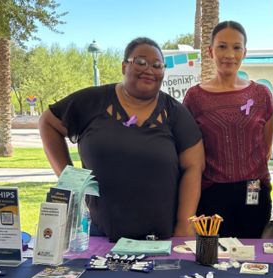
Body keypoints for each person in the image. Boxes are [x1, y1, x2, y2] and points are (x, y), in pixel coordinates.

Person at [39, 37, 205, 241]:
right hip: (100, 232)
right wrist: (70, 179)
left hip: (163, 236)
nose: (149, 70)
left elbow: (194, 167)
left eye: (157, 65)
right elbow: (48, 122)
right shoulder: (92, 101)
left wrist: (184, 226)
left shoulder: (176, 113)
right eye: (141, 62)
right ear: (124, 65)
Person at [183, 21, 273, 238]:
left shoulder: (262, 94)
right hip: (211, 195)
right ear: (210, 51)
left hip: (254, 192)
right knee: (215, 259)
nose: (229, 54)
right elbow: (189, 152)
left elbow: (265, 148)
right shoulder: (194, 98)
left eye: (236, 47)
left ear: (244, 52)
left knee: (251, 258)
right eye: (222, 46)